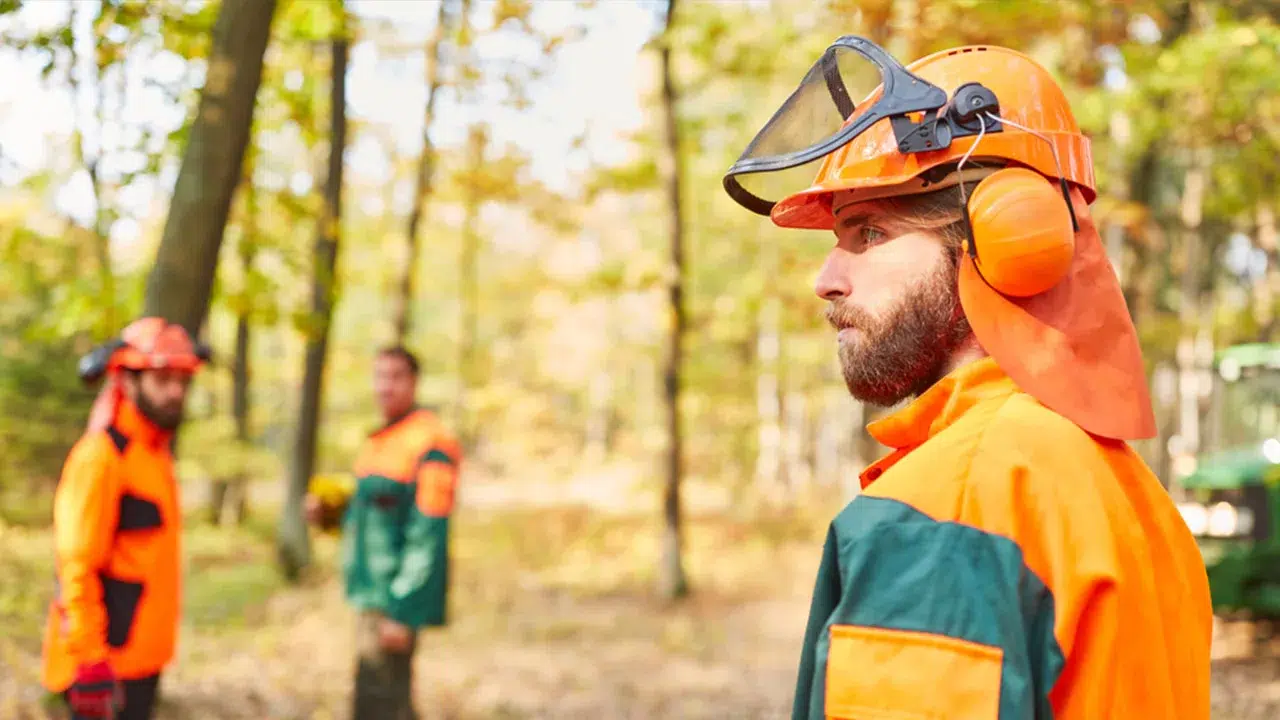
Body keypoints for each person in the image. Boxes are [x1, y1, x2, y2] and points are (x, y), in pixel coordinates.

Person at [722, 38, 1212, 719]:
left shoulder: (950, 501)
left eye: (870, 235)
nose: (825, 280)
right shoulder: (1130, 495)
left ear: (1007, 234)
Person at [41, 318, 207, 720]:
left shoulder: (154, 455)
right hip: (102, 669)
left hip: (141, 662)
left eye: (182, 381)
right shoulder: (100, 458)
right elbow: (76, 565)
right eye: (163, 379)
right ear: (128, 381)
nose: (175, 392)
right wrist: (90, 661)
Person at [306, 345, 461, 720]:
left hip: (393, 599)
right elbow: (371, 518)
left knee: (382, 704)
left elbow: (429, 533)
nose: (385, 386)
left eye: (396, 377)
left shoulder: (430, 442)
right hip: (369, 594)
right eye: (379, 376)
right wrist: (327, 517)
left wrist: (403, 612)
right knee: (378, 700)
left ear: (414, 382)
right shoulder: (379, 442)